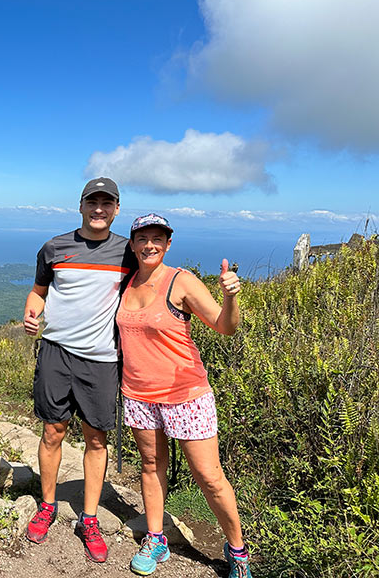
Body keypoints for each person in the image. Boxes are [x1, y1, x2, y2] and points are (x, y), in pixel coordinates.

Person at [116, 213, 252, 578]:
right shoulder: (125, 284)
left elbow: (225, 327)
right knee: (150, 465)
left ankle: (237, 550)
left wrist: (230, 297)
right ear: (132, 244)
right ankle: (156, 538)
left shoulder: (181, 281)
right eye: (142, 238)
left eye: (157, 238)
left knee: (209, 476)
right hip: (139, 394)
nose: (149, 245)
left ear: (168, 244)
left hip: (186, 394)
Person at [22, 177, 136, 563]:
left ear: (117, 209)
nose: (99, 209)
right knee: (52, 430)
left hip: (103, 359)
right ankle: (48, 506)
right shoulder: (54, 247)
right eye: (93, 202)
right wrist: (31, 311)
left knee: (96, 438)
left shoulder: (128, 251)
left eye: (107, 203)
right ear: (81, 206)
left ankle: (89, 519)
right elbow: (38, 291)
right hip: (55, 352)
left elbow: (150, 287)